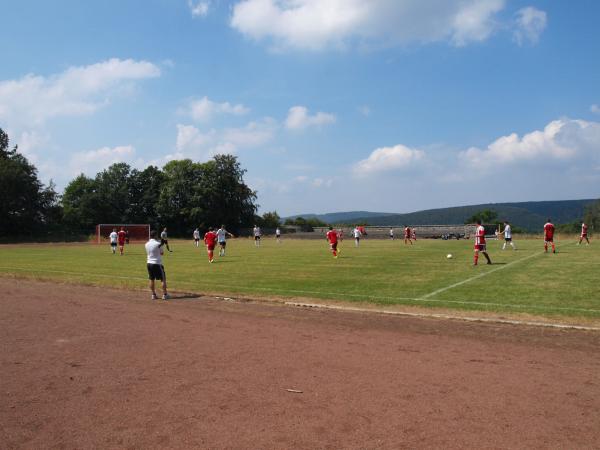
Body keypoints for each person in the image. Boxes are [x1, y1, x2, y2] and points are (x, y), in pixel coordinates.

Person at [145, 230, 169, 300]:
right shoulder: (158, 243)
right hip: (157, 263)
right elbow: (162, 253)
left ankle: (153, 294)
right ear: (155, 235)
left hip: (149, 263)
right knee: (163, 279)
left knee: (151, 279)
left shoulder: (146, 244)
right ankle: (165, 294)